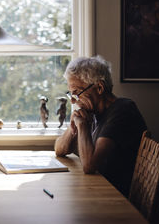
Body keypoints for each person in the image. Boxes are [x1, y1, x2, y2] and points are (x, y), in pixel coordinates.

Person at [54, 56, 147, 197]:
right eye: (70, 94)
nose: (73, 100)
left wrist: (83, 126)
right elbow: (59, 150)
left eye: (76, 93)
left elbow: (90, 166)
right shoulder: (94, 112)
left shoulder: (123, 111)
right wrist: (73, 127)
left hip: (122, 199)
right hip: (102, 191)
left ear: (99, 88)